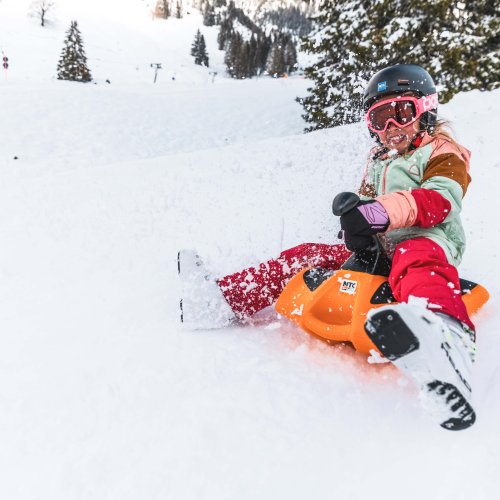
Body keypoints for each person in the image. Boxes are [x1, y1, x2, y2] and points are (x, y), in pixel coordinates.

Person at [178, 64, 477, 429]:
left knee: (415, 260)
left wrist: (376, 213)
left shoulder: (443, 151)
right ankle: (219, 301)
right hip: (382, 247)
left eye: (402, 112)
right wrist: (355, 227)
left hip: (427, 241)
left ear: (426, 110)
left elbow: (440, 199)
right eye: (379, 118)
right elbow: (369, 205)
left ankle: (445, 341)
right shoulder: (377, 160)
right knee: (305, 254)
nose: (390, 128)